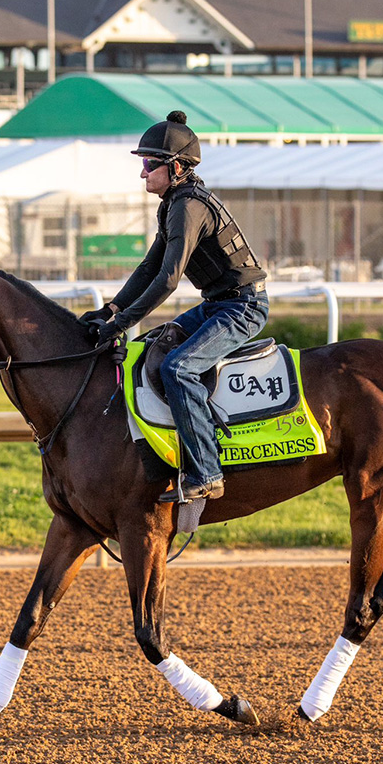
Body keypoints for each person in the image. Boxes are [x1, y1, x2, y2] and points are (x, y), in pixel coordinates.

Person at [88, 110, 268, 503]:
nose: (143, 173)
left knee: (178, 367)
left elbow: (168, 279)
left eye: (149, 164)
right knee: (154, 348)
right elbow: (148, 267)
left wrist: (122, 324)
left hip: (242, 308)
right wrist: (111, 310)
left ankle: (207, 473)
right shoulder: (173, 203)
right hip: (219, 305)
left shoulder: (189, 206)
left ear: (176, 167)